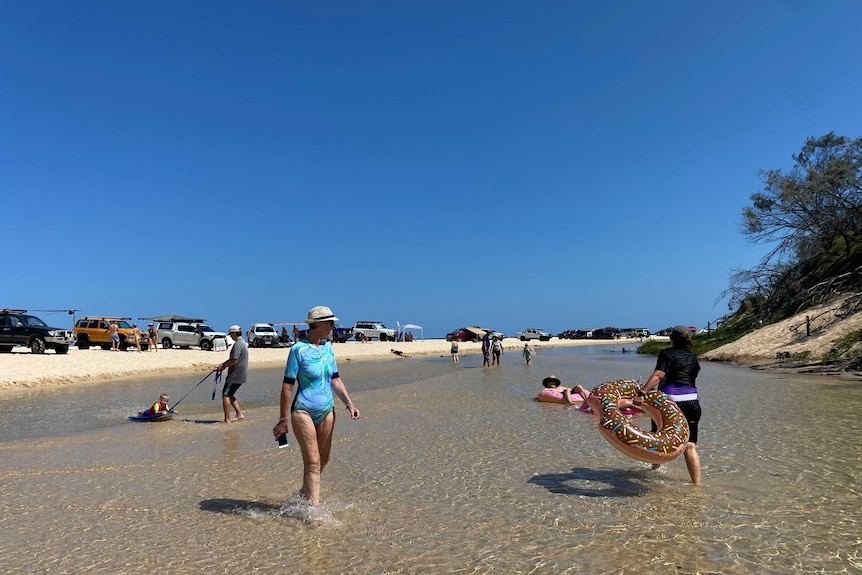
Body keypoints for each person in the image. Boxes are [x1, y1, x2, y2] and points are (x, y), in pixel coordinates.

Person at [272, 306, 360, 506]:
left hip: (327, 411)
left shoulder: (329, 348)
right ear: (319, 324)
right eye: (330, 323)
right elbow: (287, 387)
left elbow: (336, 380)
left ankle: (303, 495)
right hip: (303, 411)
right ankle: (314, 512)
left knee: (323, 459)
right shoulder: (298, 350)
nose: (333, 326)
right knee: (312, 462)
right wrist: (283, 419)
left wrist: (349, 404)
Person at [638, 324, 702, 485]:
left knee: (658, 438)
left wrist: (642, 392)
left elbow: (658, 375)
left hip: (669, 403)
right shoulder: (693, 356)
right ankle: (697, 485)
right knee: (690, 445)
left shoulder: (666, 353)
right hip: (692, 402)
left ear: (671, 339)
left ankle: (654, 474)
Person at [214, 325, 247, 424]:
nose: (230, 337)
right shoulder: (243, 343)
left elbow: (234, 360)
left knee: (225, 395)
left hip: (235, 375)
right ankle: (239, 414)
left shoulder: (237, 344)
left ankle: (227, 419)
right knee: (230, 394)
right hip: (241, 374)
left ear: (234, 333)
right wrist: (222, 365)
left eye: (231, 334)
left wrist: (222, 365)